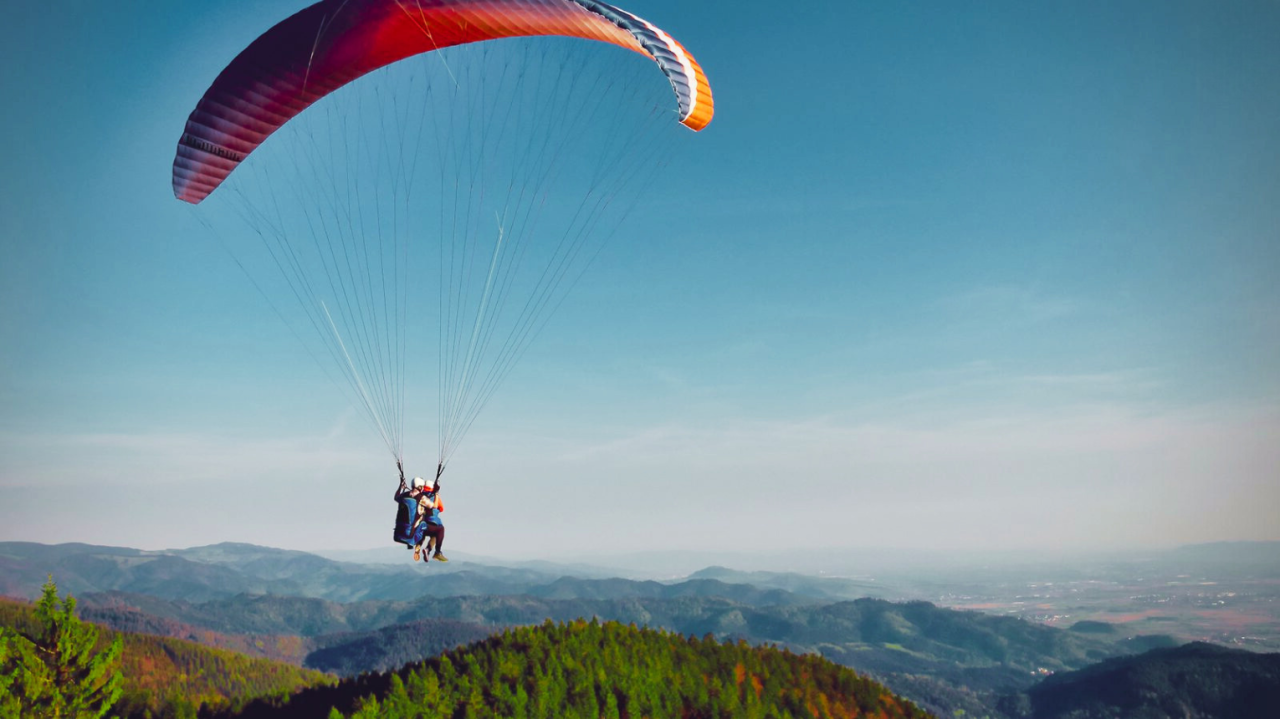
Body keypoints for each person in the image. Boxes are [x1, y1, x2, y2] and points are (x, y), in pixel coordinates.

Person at [411, 478, 447, 563]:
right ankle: (433, 551)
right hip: (432, 523)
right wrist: (436, 494)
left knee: (422, 531)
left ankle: (419, 544)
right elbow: (441, 508)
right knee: (438, 532)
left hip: (420, 523)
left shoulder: (420, 496)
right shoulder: (434, 496)